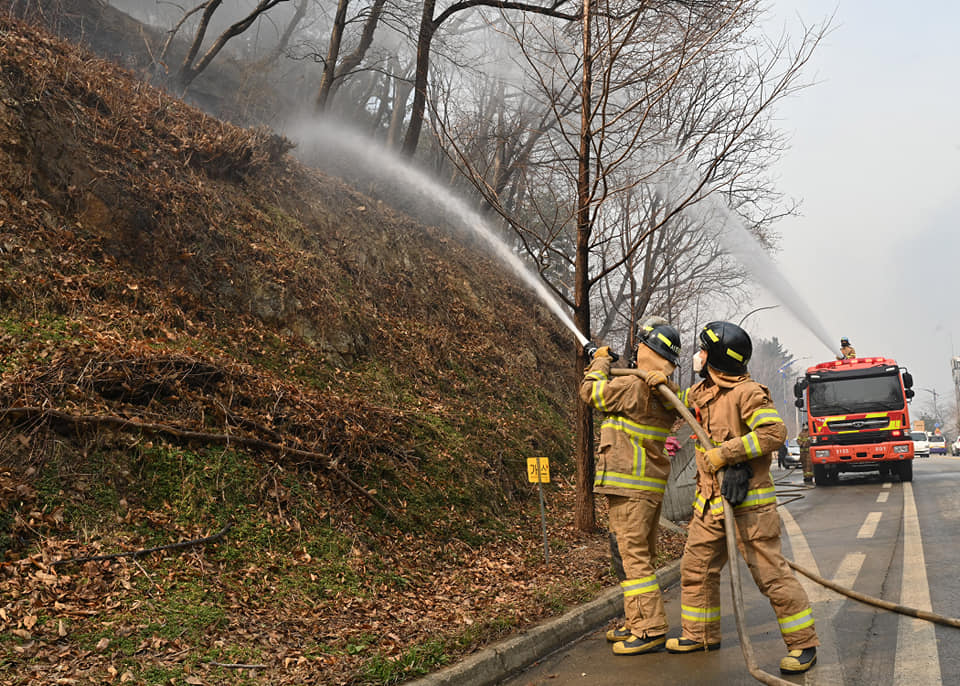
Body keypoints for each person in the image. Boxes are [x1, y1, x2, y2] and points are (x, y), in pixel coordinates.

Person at [659, 321, 819, 675]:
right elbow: (677, 404)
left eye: (702, 350)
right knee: (696, 569)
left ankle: (803, 644)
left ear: (715, 357)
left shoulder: (748, 394)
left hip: (749, 507)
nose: (698, 356)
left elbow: (773, 432)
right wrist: (658, 383)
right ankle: (700, 634)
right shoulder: (704, 391)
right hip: (709, 506)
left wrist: (728, 455)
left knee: (771, 577)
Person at [580, 322, 683, 655]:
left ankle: (649, 628)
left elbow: (591, 392)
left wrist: (598, 361)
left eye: (641, 345)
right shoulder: (664, 390)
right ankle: (635, 619)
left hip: (629, 487)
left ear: (649, 351)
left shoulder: (633, 385)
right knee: (637, 557)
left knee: (633, 558)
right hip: (648, 487)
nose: (636, 349)